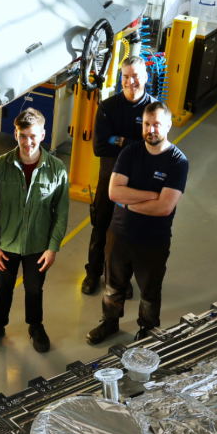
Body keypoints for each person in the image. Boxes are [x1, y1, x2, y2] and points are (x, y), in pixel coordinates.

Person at [87, 103, 187, 344]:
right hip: (119, 234)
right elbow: (113, 192)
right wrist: (152, 194)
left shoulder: (177, 162)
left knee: (149, 292)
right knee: (113, 286)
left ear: (168, 125)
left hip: (153, 241)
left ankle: (147, 329)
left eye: (156, 124)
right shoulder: (129, 153)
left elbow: (164, 207)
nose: (150, 129)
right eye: (146, 124)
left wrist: (129, 202)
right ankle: (110, 322)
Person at [0, 108, 71, 354]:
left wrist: (52, 248)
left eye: (33, 136)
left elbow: (61, 213)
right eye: (23, 136)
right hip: (5, 244)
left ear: (42, 134)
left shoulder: (57, 169)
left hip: (37, 245)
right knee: (3, 287)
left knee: (34, 289)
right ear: (15, 134)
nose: (28, 142)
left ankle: (35, 326)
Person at [82, 57, 158, 295]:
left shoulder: (153, 110)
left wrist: (120, 140)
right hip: (109, 179)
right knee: (100, 227)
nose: (130, 81)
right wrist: (136, 145)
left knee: (128, 233)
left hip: (137, 183)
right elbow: (99, 148)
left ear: (145, 77)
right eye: (126, 76)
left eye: (135, 76)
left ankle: (119, 279)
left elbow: (154, 148)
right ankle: (93, 273)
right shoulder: (108, 108)